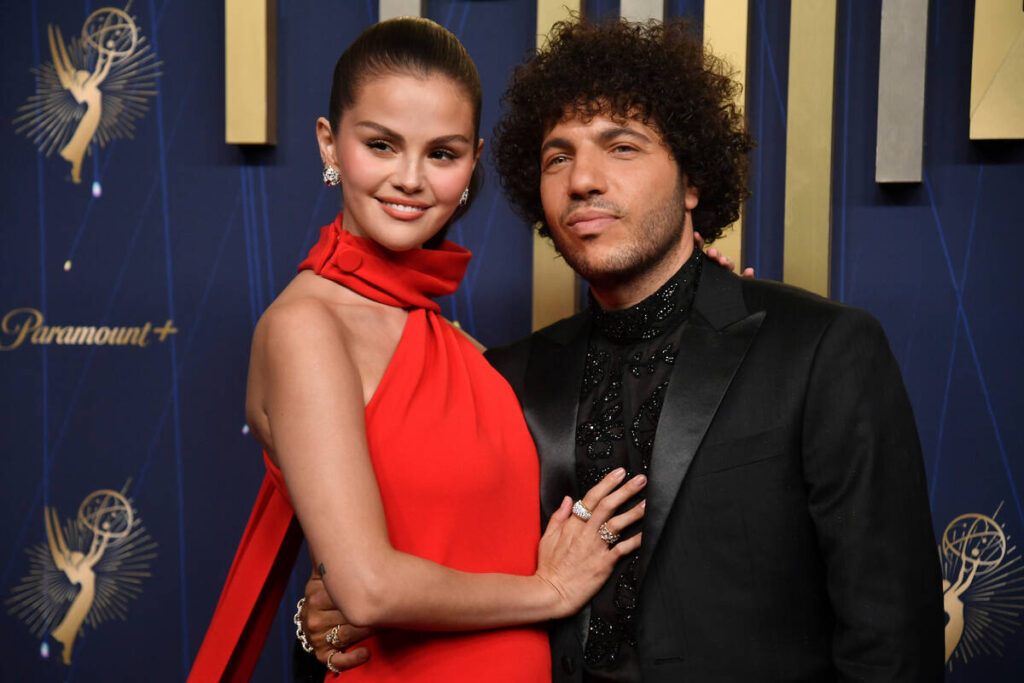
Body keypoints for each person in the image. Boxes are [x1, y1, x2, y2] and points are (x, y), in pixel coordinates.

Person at [302, 17, 945, 682]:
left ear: (692, 181)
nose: (583, 179)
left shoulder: (821, 350)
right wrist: (322, 616)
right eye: (558, 156)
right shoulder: (505, 377)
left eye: (622, 147)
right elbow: (402, 573)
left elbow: (893, 639)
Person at [188, 17, 654, 683]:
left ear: (471, 163)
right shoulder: (307, 327)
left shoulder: (453, 341)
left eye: (441, 153)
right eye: (381, 144)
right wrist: (548, 589)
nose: (410, 178)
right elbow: (369, 587)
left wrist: (694, 300)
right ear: (330, 143)